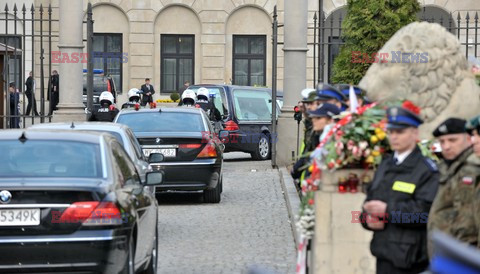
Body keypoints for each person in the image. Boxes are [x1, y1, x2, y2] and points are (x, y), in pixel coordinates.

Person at [360, 103, 439, 273]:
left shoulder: (426, 170)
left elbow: (424, 214)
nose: (394, 137)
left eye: (400, 132)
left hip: (410, 259)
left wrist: (388, 212)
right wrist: (366, 219)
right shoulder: (385, 164)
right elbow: (370, 201)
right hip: (383, 253)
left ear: (415, 133)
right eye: (391, 132)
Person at [428, 118, 480, 258]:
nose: (446, 146)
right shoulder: (445, 168)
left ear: (469, 139)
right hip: (445, 253)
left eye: (452, 140)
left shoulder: (472, 170)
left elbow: (467, 223)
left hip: (463, 256)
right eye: (442, 142)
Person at [291, 103, 340, 180]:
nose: (313, 120)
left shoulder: (337, 141)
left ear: (330, 120)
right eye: (314, 117)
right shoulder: (319, 135)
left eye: (318, 118)